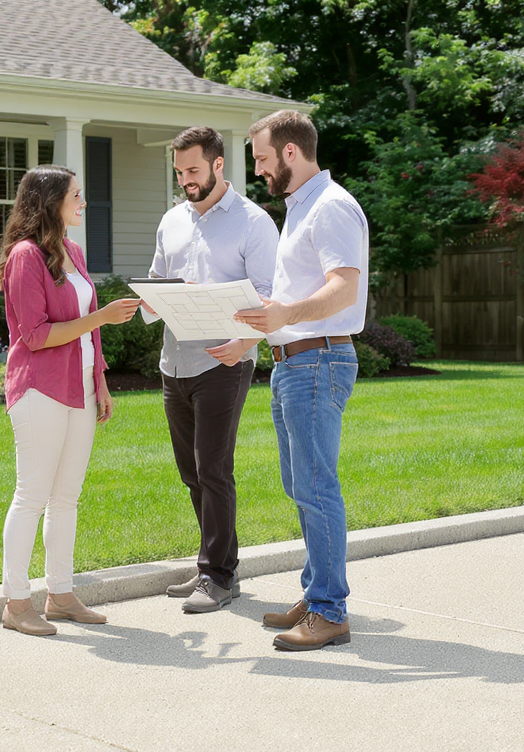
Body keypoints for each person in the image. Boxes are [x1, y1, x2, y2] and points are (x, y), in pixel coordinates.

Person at [235, 110, 368, 651]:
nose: (260, 171)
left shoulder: (332, 207)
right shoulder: (301, 208)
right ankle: (316, 595)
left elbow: (345, 288)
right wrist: (259, 325)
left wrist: (286, 315)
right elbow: (302, 293)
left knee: (317, 487)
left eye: (263, 159)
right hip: (294, 362)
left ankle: (331, 612)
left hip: (318, 361)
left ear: (291, 153)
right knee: (301, 485)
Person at [0, 165, 141, 637]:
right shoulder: (25, 256)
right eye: (76, 195)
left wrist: (98, 379)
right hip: (38, 388)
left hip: (79, 387)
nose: (83, 203)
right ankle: (17, 603)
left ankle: (60, 594)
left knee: (66, 498)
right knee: (32, 495)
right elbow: (35, 336)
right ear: (50, 200)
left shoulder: (72, 252)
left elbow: (86, 331)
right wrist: (102, 316)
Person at [148, 126, 278, 614]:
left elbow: (270, 294)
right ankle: (214, 565)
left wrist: (244, 342)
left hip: (225, 362)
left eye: (194, 171)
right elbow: (158, 280)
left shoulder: (253, 221)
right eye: (179, 172)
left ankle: (218, 576)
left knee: (213, 468)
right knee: (190, 472)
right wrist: (151, 299)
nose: (186, 180)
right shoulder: (171, 221)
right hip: (174, 361)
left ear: (219, 165)